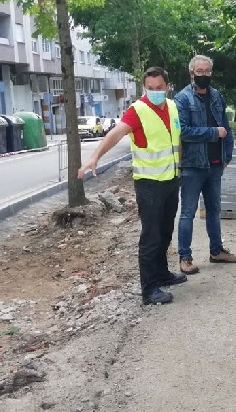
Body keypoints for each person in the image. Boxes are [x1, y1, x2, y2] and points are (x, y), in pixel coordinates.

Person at [78, 67, 187, 305]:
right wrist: (96, 156)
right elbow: (115, 134)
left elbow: (175, 139)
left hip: (170, 180)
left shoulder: (172, 106)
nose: (155, 92)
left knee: (166, 231)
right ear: (144, 88)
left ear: (167, 87)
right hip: (149, 184)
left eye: (160, 88)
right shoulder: (137, 111)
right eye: (151, 88)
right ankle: (149, 290)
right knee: (151, 236)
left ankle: (162, 274)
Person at [174, 55, 236, 275]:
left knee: (214, 210)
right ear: (191, 73)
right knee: (188, 213)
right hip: (193, 166)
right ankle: (185, 257)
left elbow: (226, 129)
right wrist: (213, 133)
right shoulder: (182, 99)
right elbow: (183, 132)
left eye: (207, 71)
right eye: (199, 72)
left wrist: (227, 156)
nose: (204, 75)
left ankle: (217, 251)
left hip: (214, 165)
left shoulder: (216, 96)